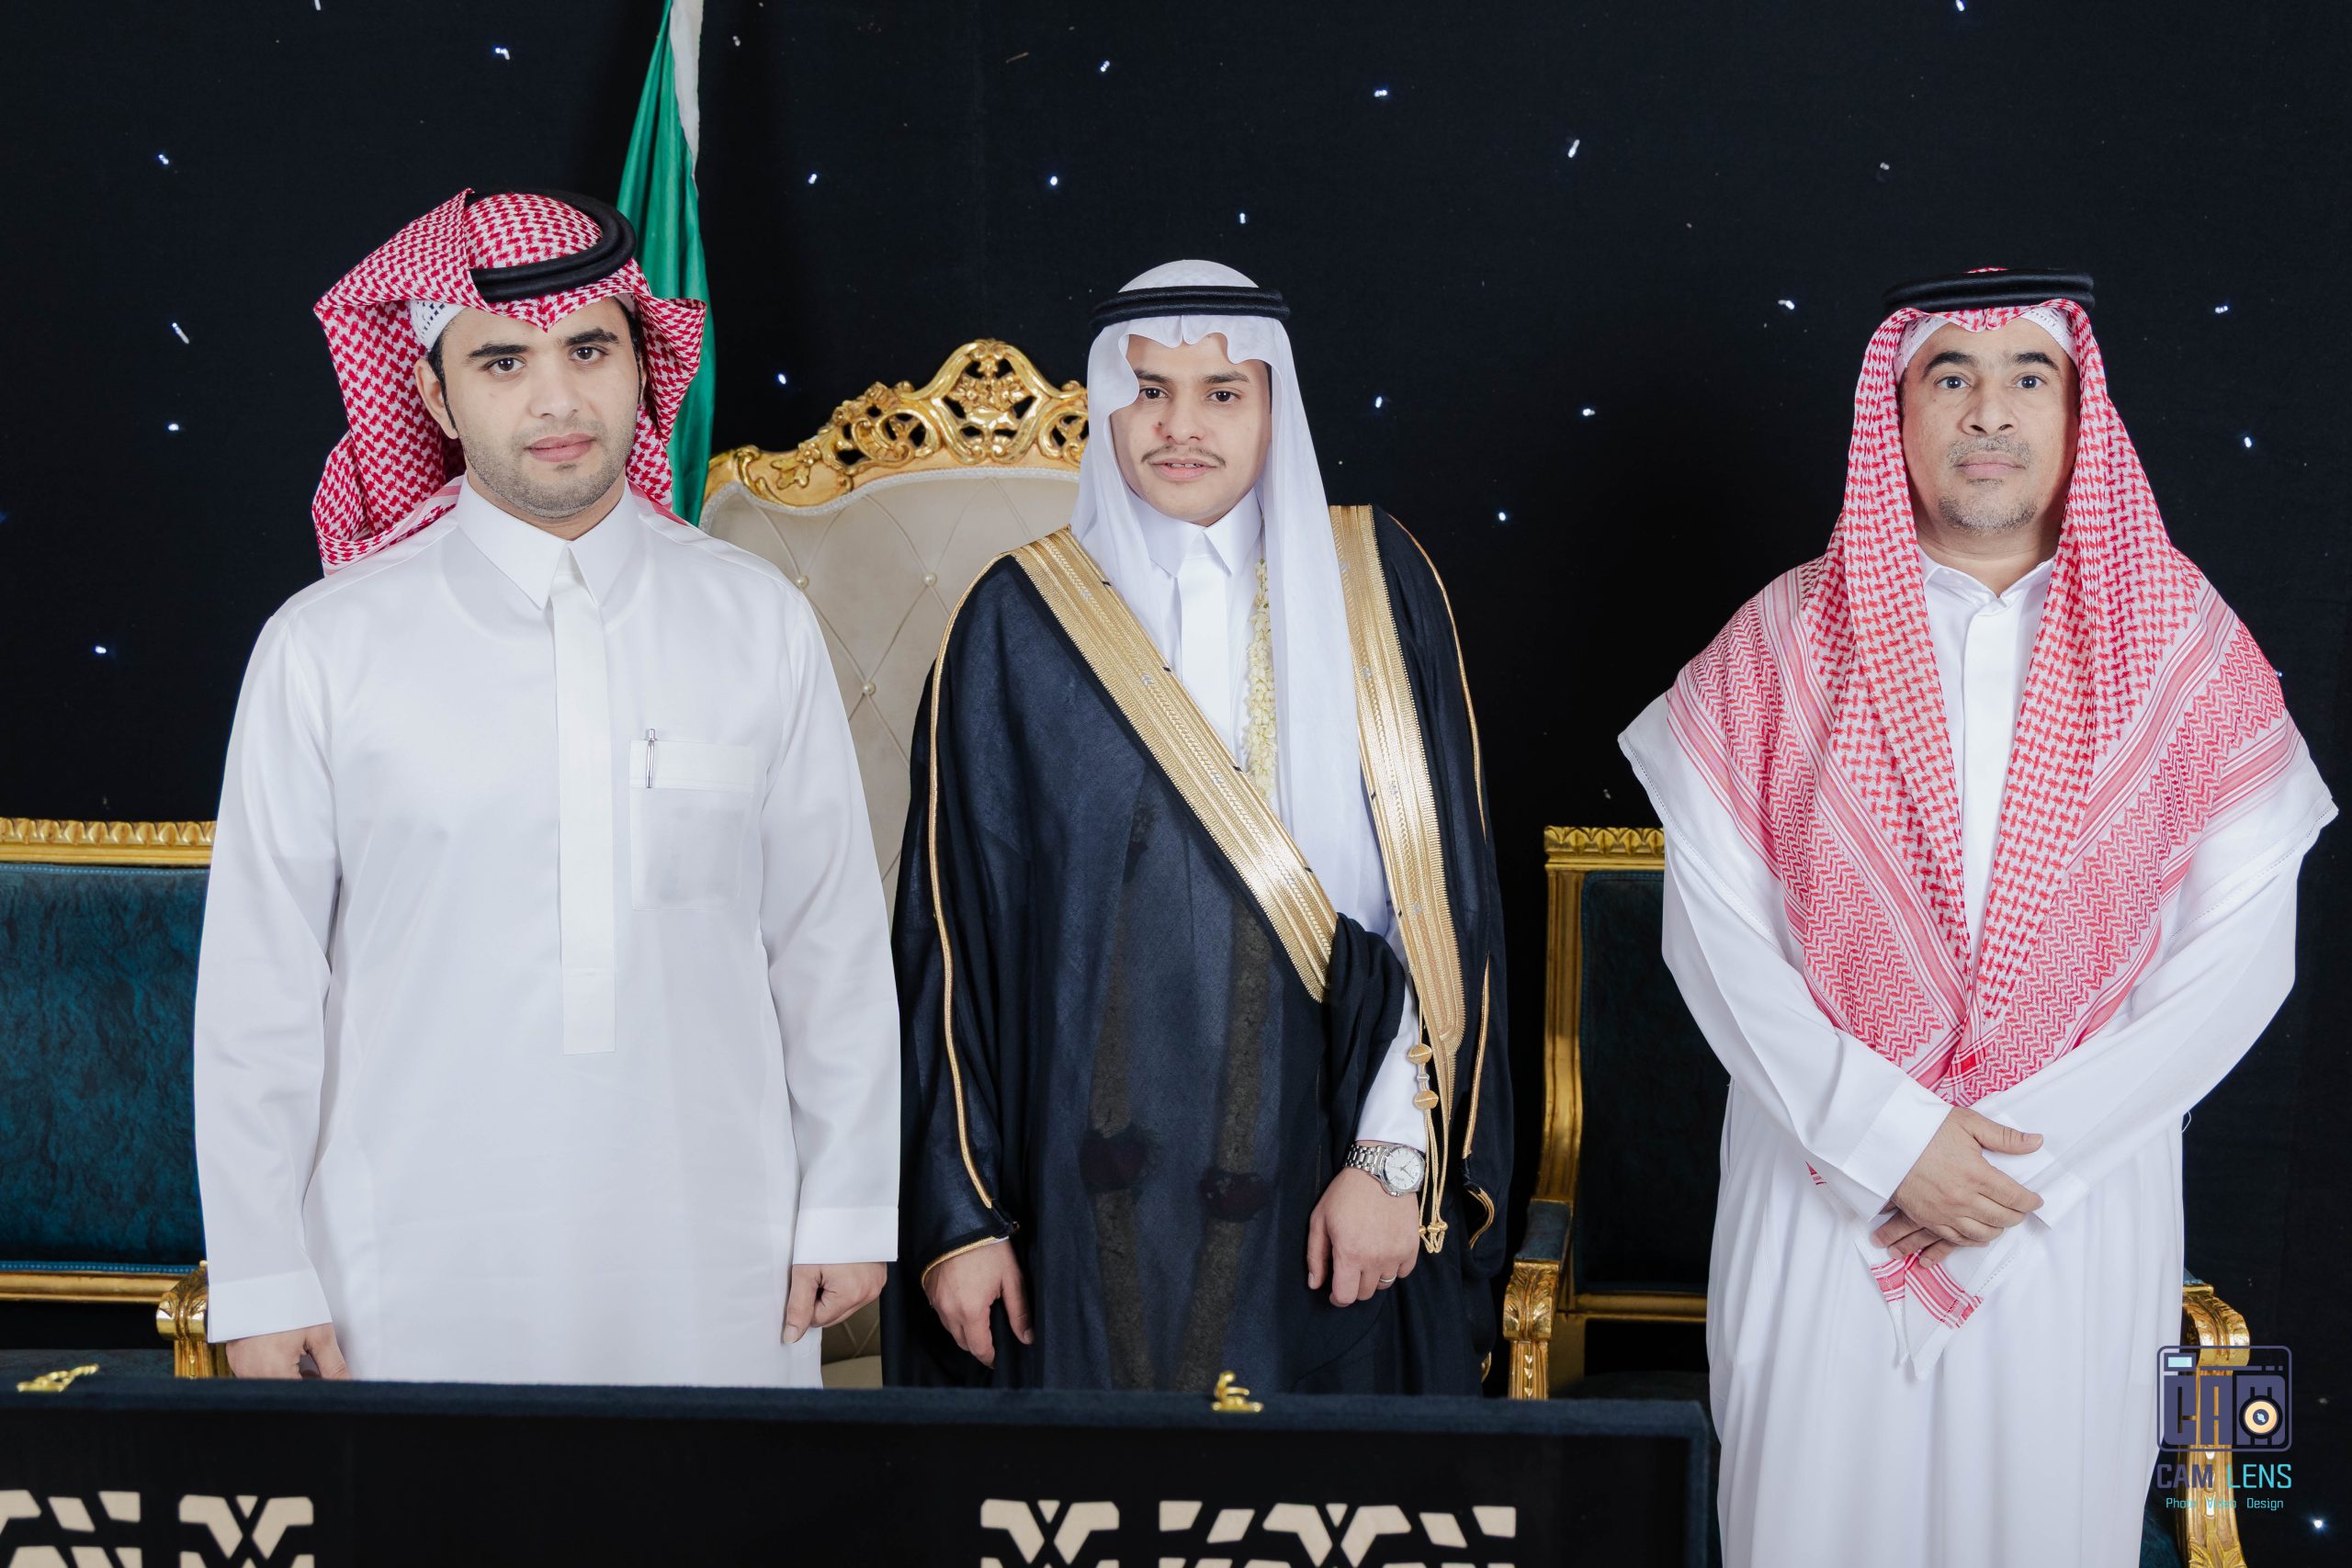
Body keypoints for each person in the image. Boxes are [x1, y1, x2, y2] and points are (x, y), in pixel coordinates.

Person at [1622, 267, 2333, 1564]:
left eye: (2027, 376)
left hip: (2073, 1203)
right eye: (1950, 375)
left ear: (2078, 413)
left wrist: (2017, 1168)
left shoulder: (2185, 643)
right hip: (1823, 1192)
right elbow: (1713, 941)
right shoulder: (1782, 640)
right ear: (1895, 415)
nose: (1988, 411)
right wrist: (1889, 1140)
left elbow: (2239, 960)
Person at [193, 189, 899, 1384]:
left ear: (642, 366)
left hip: (717, 1254)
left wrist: (846, 1200)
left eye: (588, 349)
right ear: (434, 396)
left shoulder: (754, 620)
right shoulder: (324, 647)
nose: (557, 398)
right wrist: (263, 1275)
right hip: (402, 1266)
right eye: (503, 361)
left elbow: (824, 936)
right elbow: (260, 992)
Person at [882, 261, 1510, 1393]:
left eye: (1222, 392)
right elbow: (949, 940)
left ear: (1275, 408)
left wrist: (1389, 1159)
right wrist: (961, 1219)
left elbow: (1433, 906)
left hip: (1329, 1164)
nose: (1181, 426)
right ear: (1105, 408)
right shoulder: (1014, 618)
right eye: (1148, 391)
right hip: (1081, 1192)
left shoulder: (1378, 586)